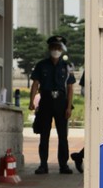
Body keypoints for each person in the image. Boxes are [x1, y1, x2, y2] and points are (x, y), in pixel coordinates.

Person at [29, 35, 76, 174]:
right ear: (49, 48)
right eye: (54, 47)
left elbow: (70, 88)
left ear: (62, 49)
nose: (56, 50)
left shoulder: (67, 66)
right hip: (46, 101)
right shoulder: (41, 65)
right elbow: (35, 84)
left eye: (58, 48)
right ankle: (43, 165)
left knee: (63, 135)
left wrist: (69, 107)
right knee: (44, 134)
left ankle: (64, 165)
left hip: (61, 102)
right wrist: (31, 101)